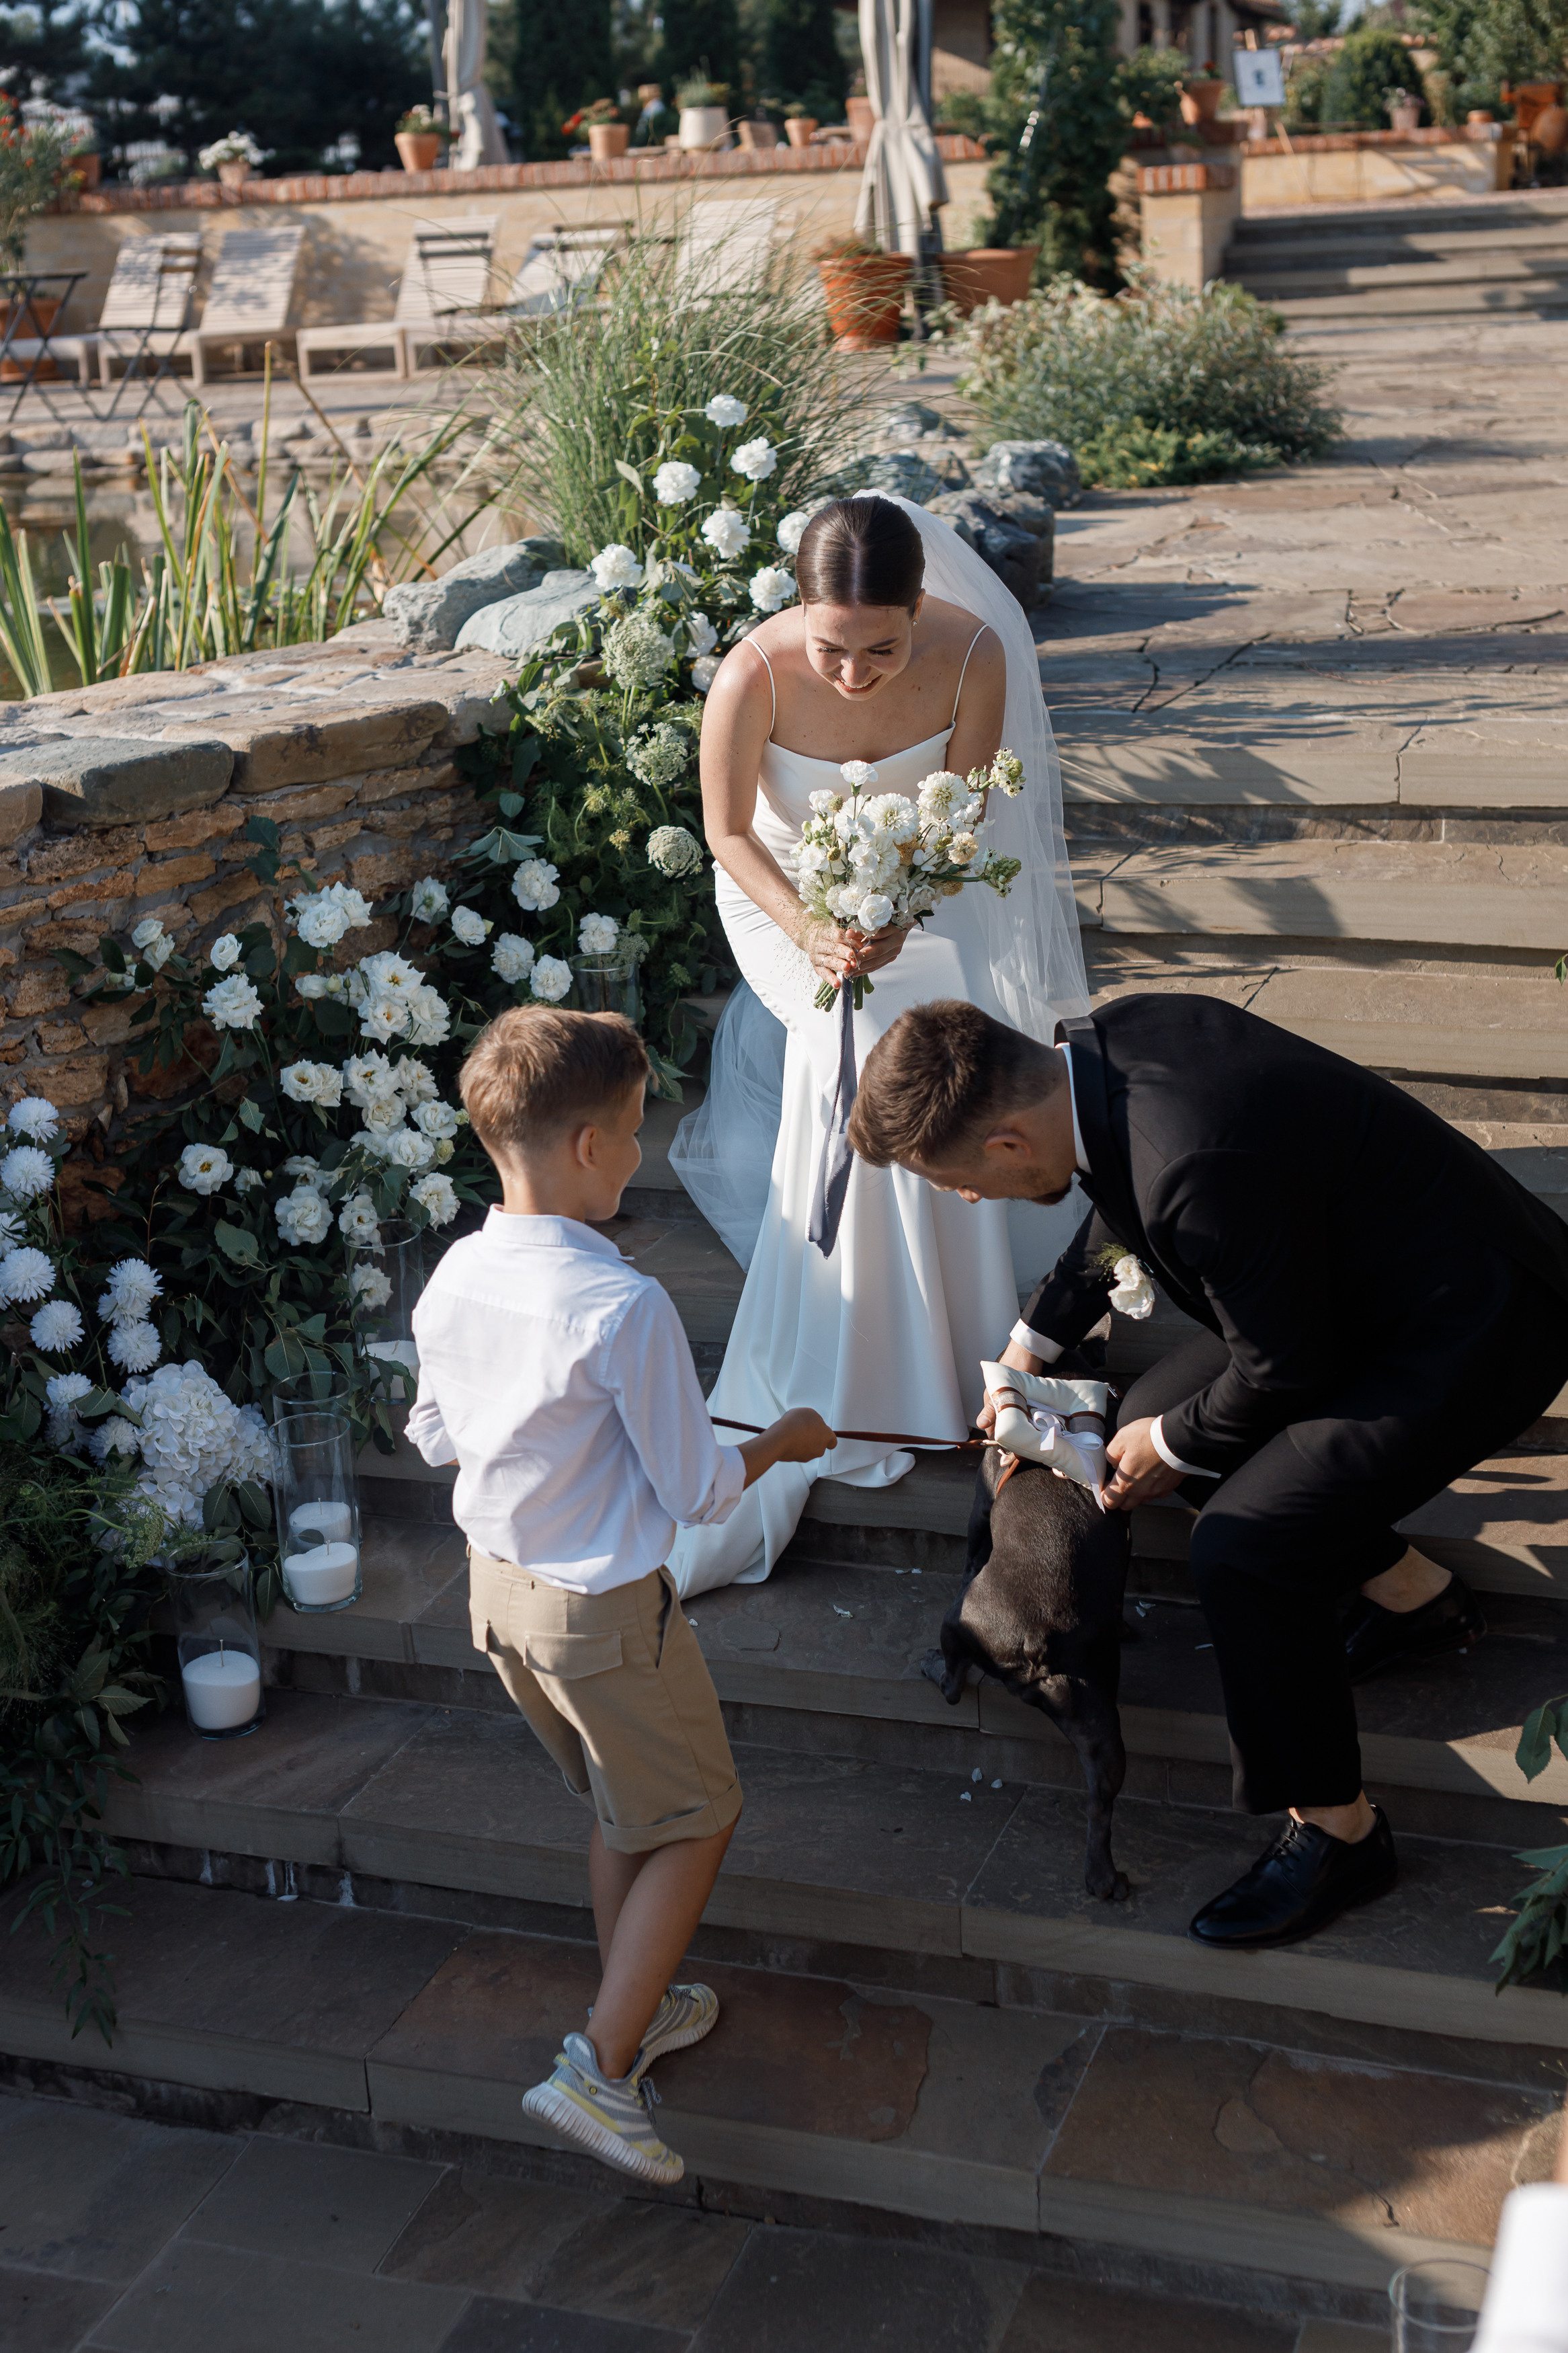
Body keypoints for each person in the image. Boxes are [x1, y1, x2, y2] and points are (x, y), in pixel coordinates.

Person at [844, 991, 1568, 1949]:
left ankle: (1339, 1832)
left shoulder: (1188, 1157)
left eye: (955, 1181)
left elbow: (1287, 1372)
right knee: (1139, 1423)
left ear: (1008, 1141)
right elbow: (1114, 1193)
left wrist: (1177, 1447)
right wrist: (1029, 1350)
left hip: (1467, 1328)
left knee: (1242, 1547)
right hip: (1339, 1284)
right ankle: (1410, 1594)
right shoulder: (1102, 1053)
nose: (965, 1199)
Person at [405, 1006, 835, 2183]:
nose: (645, 1154)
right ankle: (597, 2067)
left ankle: (631, 2011)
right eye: (639, 1133)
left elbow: (435, 1431)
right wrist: (783, 1442)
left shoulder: (455, 1270)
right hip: (601, 1617)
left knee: (620, 1808)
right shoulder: (623, 1304)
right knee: (699, 1815)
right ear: (588, 1147)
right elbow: (697, 1492)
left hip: (499, 1603)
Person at [667, 492, 1087, 1597]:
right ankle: (843, 1342)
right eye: (831, 648)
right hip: (779, 899)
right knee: (834, 1038)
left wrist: (907, 897)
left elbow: (965, 818)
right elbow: (723, 831)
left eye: (881, 648)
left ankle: (952, 1343)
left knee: (935, 996)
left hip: (918, 892)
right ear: (797, 614)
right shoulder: (749, 677)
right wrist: (812, 925)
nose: (854, 673)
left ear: (919, 610)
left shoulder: (976, 653)